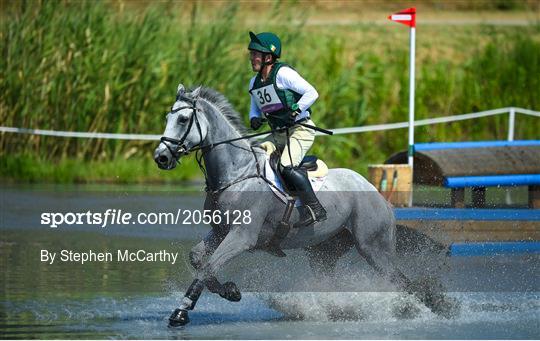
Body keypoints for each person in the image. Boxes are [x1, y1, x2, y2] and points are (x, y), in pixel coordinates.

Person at [247, 31, 326, 227]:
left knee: (286, 166)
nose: (252, 58)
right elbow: (254, 107)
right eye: (251, 54)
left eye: (256, 54)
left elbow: (312, 92)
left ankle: (316, 208)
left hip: (301, 130)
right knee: (255, 159)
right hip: (278, 135)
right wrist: (254, 118)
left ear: (268, 57)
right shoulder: (254, 82)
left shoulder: (283, 74)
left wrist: (297, 109)